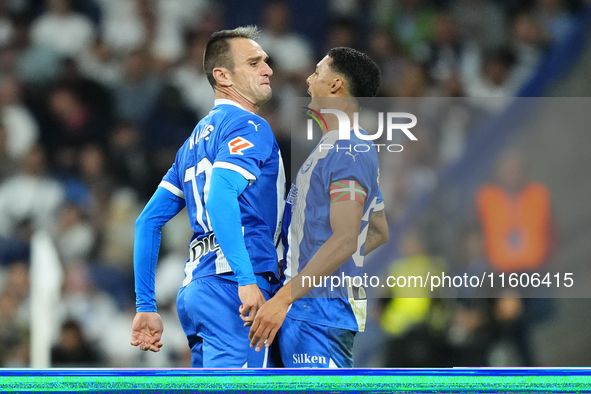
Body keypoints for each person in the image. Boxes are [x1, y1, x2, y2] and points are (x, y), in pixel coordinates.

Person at [130, 26, 285, 368]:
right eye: (255, 62)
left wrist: (146, 306)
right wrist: (246, 280)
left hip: (197, 288)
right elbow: (220, 196)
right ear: (222, 75)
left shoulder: (191, 144)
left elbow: (147, 222)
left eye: (267, 61)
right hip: (234, 286)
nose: (268, 69)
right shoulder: (250, 126)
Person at [248, 47, 389, 368]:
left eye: (317, 73)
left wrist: (284, 297)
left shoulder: (348, 150)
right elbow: (378, 230)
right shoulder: (337, 148)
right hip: (307, 306)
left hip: (317, 311)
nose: (309, 81)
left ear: (336, 85)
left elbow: (345, 239)